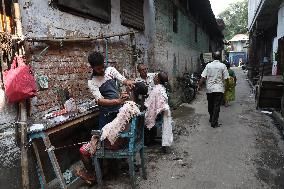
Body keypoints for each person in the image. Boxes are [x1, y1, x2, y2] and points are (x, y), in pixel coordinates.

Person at [77, 52, 135, 184]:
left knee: (114, 138)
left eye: (102, 66)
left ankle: (108, 170)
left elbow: (122, 79)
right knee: (106, 137)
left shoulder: (110, 70)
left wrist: (128, 82)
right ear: (92, 67)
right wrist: (118, 101)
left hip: (118, 114)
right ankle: (103, 171)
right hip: (106, 115)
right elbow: (100, 101)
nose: (102, 70)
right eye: (98, 68)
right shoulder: (92, 82)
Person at [198, 51, 229, 128]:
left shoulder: (208, 65)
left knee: (210, 104)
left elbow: (203, 77)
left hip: (210, 88)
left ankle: (212, 118)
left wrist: (199, 85)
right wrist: (227, 86)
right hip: (219, 89)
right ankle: (214, 122)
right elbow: (226, 78)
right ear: (220, 58)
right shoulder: (223, 66)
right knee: (216, 106)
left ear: (213, 57)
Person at [144, 72, 173, 153]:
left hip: (158, 113)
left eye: (156, 76)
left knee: (143, 117)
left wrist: (145, 106)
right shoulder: (161, 88)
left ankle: (147, 141)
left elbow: (149, 104)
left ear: (158, 79)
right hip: (162, 112)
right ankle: (152, 139)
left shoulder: (156, 90)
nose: (154, 77)